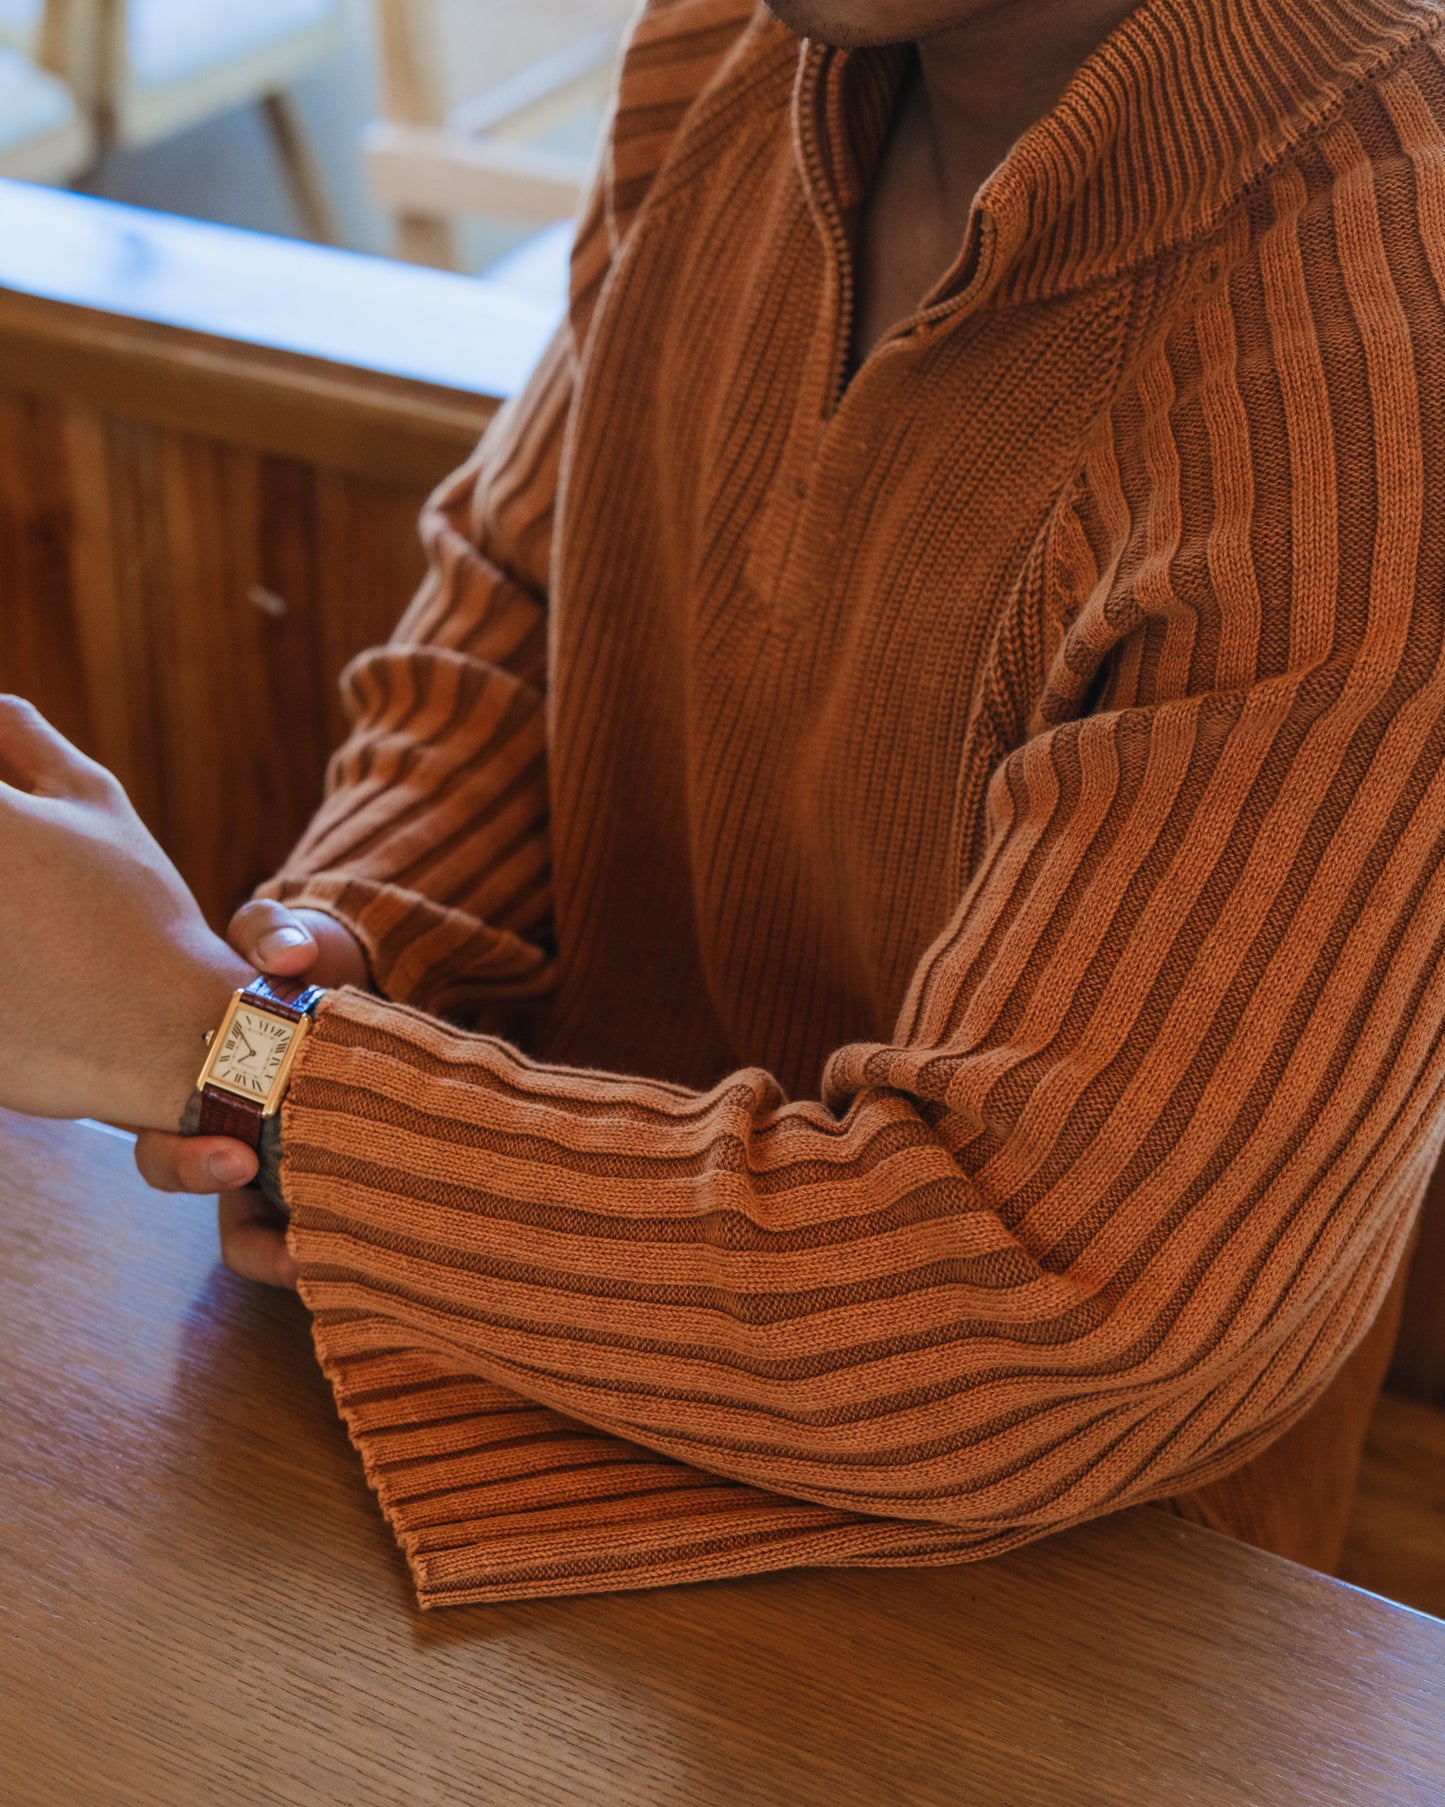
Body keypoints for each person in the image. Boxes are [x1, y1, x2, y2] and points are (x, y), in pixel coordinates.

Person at [3, 0, 1443, 1607]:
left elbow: (1037, 1324)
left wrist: (250, 1073)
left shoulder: (1387, 342)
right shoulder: (731, 46)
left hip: (1063, 1613)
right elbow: (520, 604)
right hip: (519, 1370)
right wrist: (336, 953)